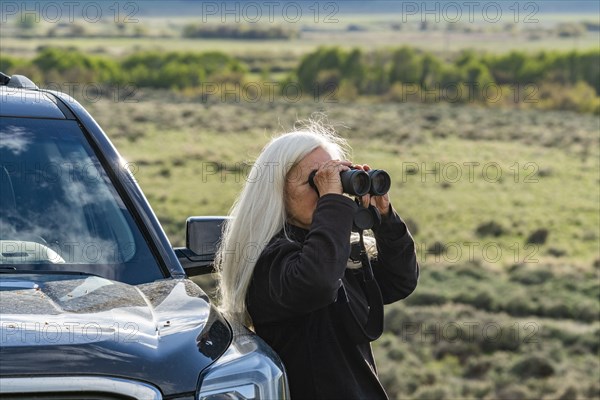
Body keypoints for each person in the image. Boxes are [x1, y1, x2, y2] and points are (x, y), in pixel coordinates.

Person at [215, 122, 419, 400]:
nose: (326, 188)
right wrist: (333, 202)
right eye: (316, 180)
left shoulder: (328, 251)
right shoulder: (269, 259)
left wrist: (385, 218)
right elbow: (317, 283)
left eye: (333, 177)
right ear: (277, 191)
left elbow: (399, 281)